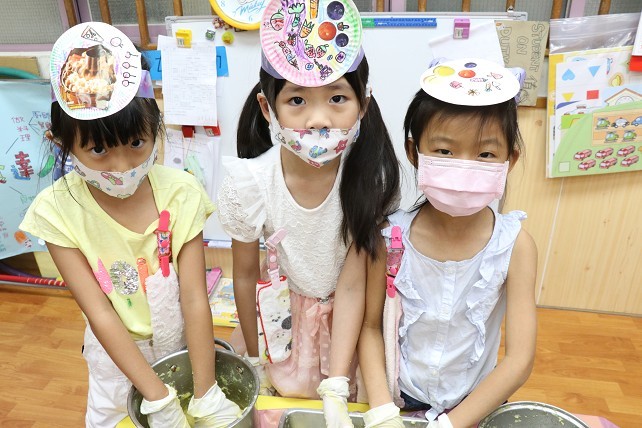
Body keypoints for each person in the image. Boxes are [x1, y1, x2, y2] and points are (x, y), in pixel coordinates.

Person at [20, 22, 240, 427]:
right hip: (114, 361)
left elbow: (195, 299)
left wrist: (206, 392)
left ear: (155, 127)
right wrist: (159, 400)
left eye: (136, 143)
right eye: (98, 150)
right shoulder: (57, 211)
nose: (122, 166)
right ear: (62, 143)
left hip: (181, 347)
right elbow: (100, 313)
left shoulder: (181, 193)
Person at [216, 0, 399, 425]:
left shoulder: (365, 177)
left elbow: (354, 288)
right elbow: (244, 276)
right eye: (297, 100)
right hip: (283, 325)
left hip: (351, 329)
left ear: (363, 105)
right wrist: (254, 357)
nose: (318, 120)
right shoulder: (250, 185)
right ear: (268, 108)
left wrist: (339, 379)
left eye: (337, 98)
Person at [358, 58, 538, 428]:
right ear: (414, 152)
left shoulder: (516, 246)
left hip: (475, 405)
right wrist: (382, 411)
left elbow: (519, 359)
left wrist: (451, 424)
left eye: (485, 154)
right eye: (444, 151)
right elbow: (370, 328)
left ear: (510, 160)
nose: (464, 168)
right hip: (399, 399)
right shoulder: (389, 238)